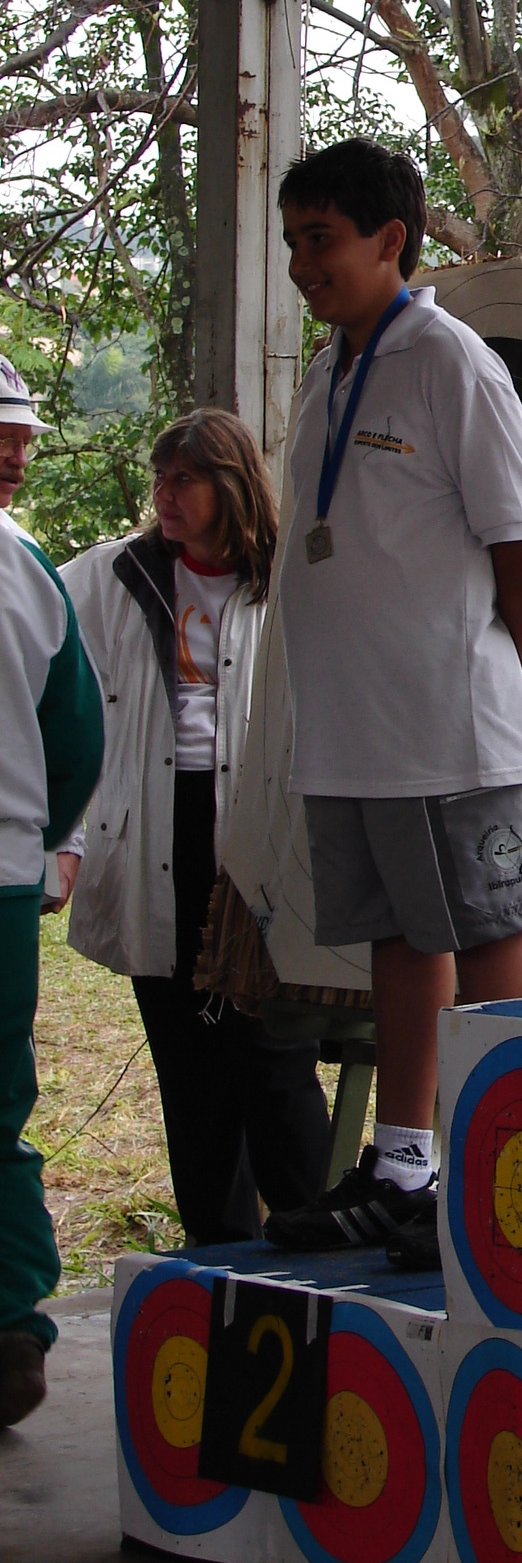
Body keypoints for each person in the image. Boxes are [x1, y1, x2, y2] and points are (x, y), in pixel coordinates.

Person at [263, 138, 522, 1258]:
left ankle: (508, 1176)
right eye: (292, 241)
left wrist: (514, 686)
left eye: (320, 239)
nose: (302, 264)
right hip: (355, 731)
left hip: (452, 723)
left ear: (392, 239)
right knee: (397, 936)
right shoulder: (333, 369)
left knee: (489, 933)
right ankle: (403, 1163)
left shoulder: (450, 360)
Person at [56, 411, 331, 1245]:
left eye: (185, 480)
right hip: (159, 835)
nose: (164, 497)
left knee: (274, 1057)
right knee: (189, 1065)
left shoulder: (287, 576)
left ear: (230, 485)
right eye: (161, 480)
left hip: (264, 837)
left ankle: (313, 1237)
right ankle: (219, 1250)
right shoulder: (117, 576)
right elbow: (30, 620)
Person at [0, 357, 103, 1427]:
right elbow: (75, 742)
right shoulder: (22, 562)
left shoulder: (24, 559)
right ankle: (12, 1326)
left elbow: (76, 740)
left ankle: (11, 1334)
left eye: (23, 432)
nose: (18, 449)